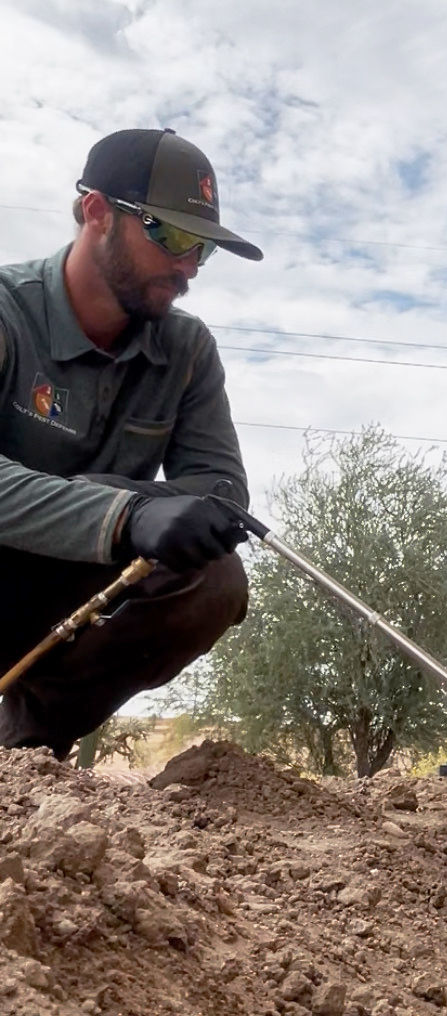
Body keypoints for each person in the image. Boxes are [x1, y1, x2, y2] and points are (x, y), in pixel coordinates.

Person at [0, 127, 264, 760]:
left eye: (201, 249)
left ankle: (21, 753)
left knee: (214, 579)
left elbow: (220, 494)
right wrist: (124, 512)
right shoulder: (8, 312)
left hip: (73, 594)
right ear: (97, 212)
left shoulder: (189, 350)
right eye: (170, 236)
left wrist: (137, 510)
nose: (187, 266)